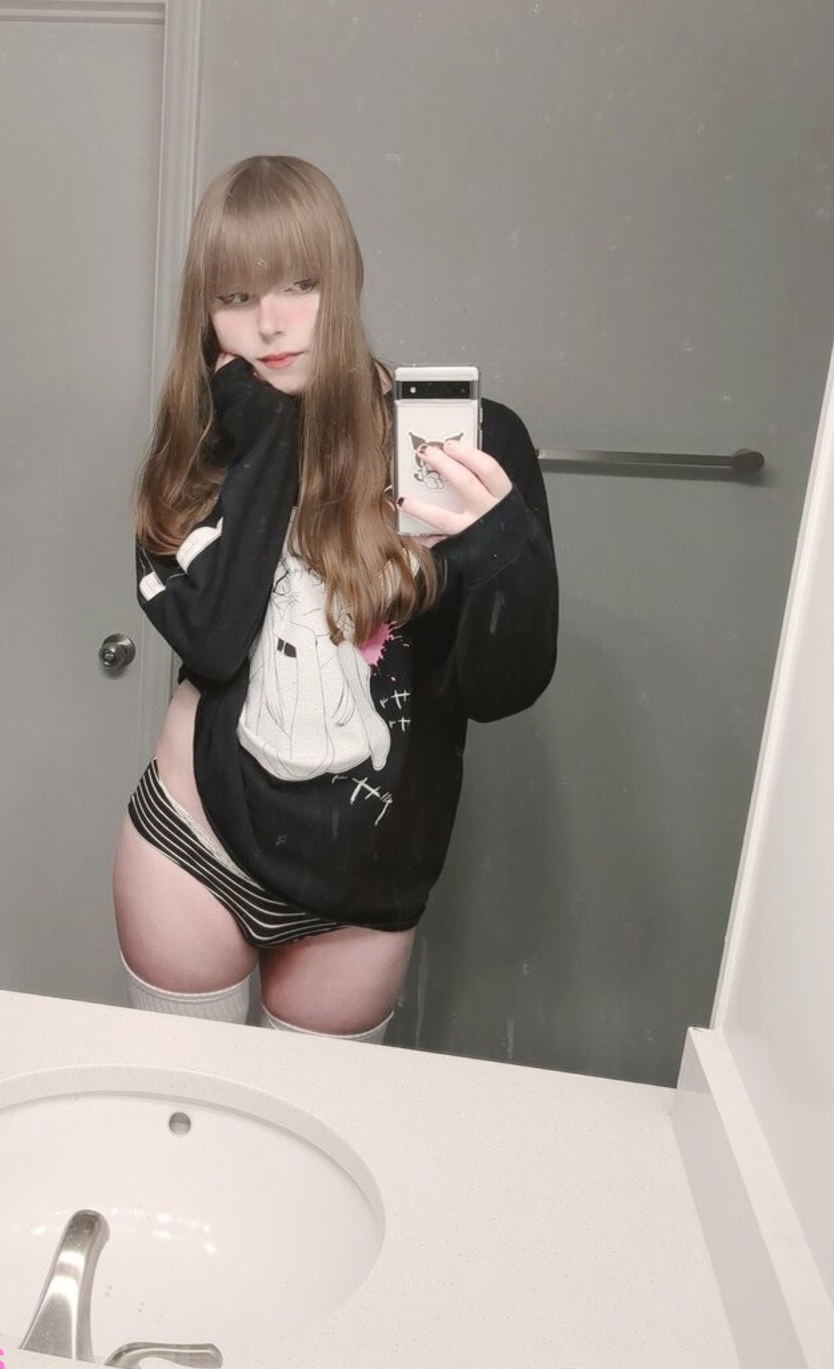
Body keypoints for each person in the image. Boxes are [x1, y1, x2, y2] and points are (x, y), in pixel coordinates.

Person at [112, 154, 557, 1044]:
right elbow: (213, 637)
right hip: (195, 844)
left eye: (299, 284)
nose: (269, 323)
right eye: (236, 296)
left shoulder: (471, 444)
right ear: (206, 312)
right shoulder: (207, 444)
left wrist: (499, 546)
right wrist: (268, 438)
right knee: (182, 1111)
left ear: (344, 278)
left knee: (308, 1124)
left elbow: (499, 689)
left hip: (366, 887)